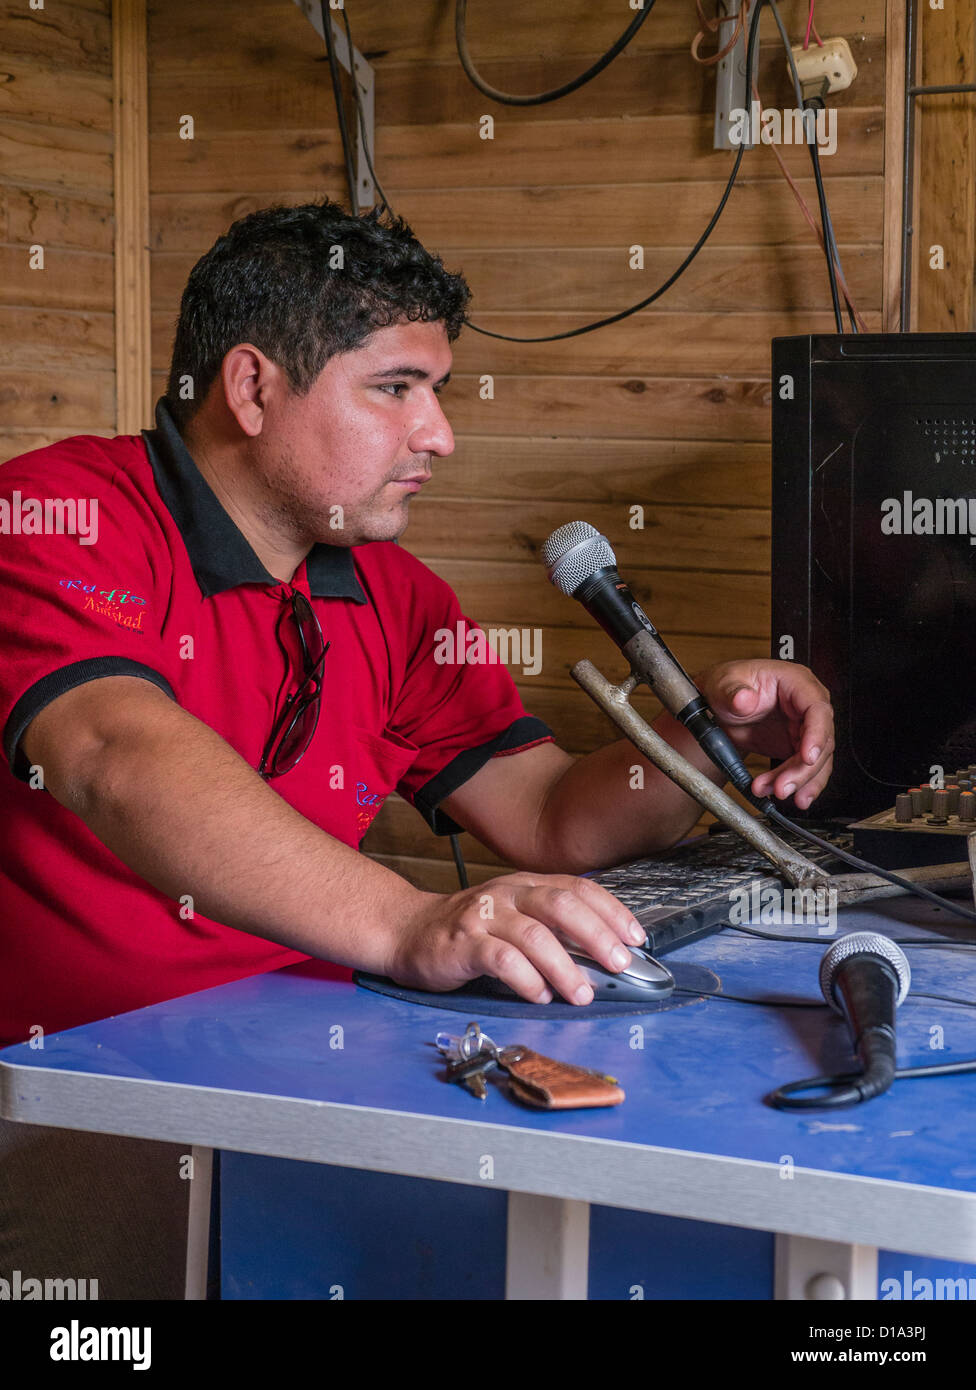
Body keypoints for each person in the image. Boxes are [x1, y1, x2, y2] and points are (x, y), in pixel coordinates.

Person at [0, 200, 833, 1294]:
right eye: (395, 389)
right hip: (70, 1087)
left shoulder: (392, 592)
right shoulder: (58, 514)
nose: (438, 433)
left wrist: (696, 732)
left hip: (316, 1067)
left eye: (435, 392)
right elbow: (114, 750)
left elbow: (550, 817)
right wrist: (411, 920)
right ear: (251, 388)